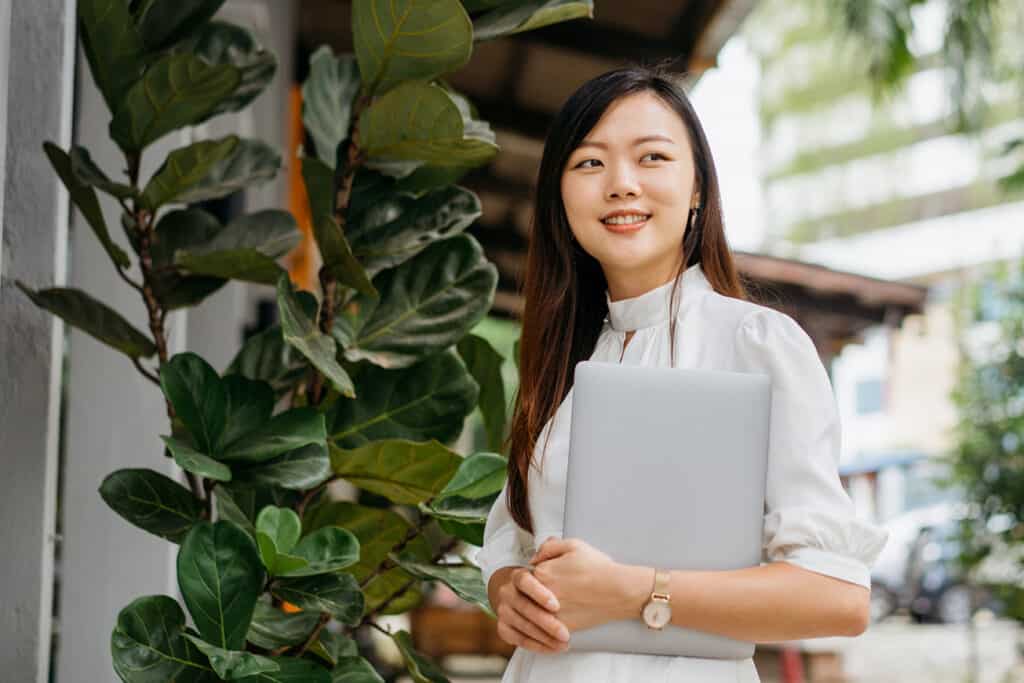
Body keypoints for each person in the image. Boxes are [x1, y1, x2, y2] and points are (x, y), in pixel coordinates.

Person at [474, 65, 890, 682]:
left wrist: (634, 591)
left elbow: (838, 596)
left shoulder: (756, 343)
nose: (620, 184)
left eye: (652, 158)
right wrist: (510, 591)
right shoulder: (562, 360)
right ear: (559, 195)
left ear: (697, 188)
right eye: (589, 163)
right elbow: (513, 548)